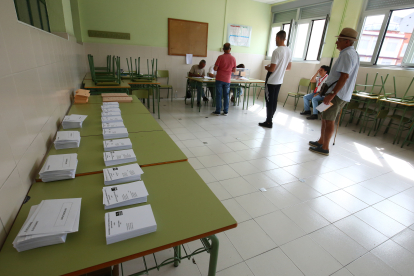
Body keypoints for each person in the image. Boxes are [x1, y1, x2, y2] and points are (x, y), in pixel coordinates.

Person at [309, 28, 360, 156]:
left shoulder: (347, 55)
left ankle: (325, 147)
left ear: (347, 42)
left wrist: (332, 94)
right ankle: (321, 141)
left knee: (329, 119)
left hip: (336, 94)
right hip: (338, 93)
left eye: (339, 40)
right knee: (325, 117)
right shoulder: (351, 53)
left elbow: (344, 77)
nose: (336, 42)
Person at [259, 30, 292, 128]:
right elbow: (288, 68)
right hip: (279, 80)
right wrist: (279, 68)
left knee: (269, 101)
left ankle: (268, 122)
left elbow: (272, 68)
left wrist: (266, 67)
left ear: (277, 38)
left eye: (275, 39)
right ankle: (270, 119)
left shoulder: (277, 51)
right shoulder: (289, 50)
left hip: (271, 80)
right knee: (274, 101)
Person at [212, 43, 236, 116]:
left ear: (223, 49)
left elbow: (215, 68)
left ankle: (218, 111)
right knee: (226, 95)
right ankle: (226, 111)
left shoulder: (220, 57)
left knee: (218, 95)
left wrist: (220, 68)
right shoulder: (233, 58)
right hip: (227, 79)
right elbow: (234, 70)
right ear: (230, 49)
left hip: (219, 78)